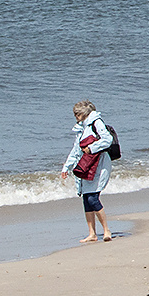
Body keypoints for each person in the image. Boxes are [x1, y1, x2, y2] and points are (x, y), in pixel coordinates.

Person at [60, 99, 117, 242]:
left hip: (99, 164)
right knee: (86, 199)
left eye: (77, 113)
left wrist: (91, 148)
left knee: (93, 198)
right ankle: (92, 233)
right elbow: (75, 149)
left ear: (84, 112)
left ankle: (106, 230)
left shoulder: (96, 122)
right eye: (75, 114)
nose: (76, 116)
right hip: (86, 165)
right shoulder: (81, 128)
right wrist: (66, 166)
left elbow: (107, 139)